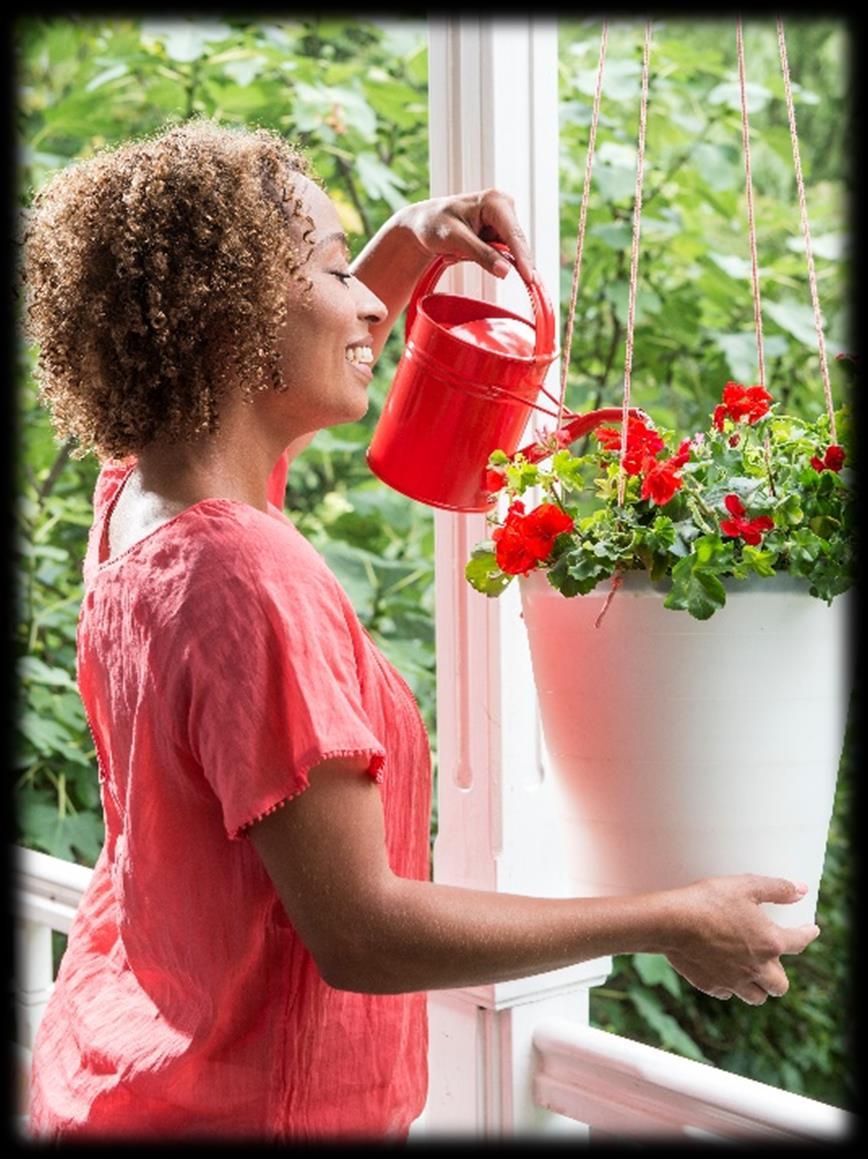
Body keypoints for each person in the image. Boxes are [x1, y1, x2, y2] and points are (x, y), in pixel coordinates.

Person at [19, 117, 820, 1143]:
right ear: (235, 320)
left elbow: (248, 415)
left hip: (121, 1067)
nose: (366, 303)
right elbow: (361, 930)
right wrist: (668, 917)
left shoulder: (141, 497)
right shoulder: (245, 578)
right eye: (328, 271)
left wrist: (407, 242)